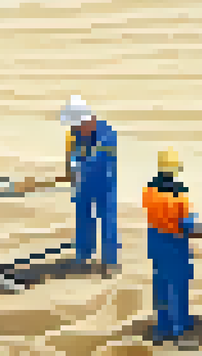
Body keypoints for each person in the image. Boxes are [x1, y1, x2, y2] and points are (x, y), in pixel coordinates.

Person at [142, 148, 202, 341]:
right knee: (178, 287)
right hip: (175, 247)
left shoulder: (149, 192)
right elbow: (186, 225)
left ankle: (163, 325)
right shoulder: (178, 196)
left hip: (157, 246)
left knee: (162, 287)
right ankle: (178, 327)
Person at [60, 95, 118, 274]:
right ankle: (83, 256)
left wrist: (81, 168)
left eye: (76, 126)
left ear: (87, 121)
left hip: (104, 184)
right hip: (83, 185)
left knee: (107, 222)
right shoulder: (74, 134)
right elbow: (70, 154)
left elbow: (104, 161)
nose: (74, 129)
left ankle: (109, 262)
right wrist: (70, 171)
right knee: (83, 219)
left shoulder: (106, 134)